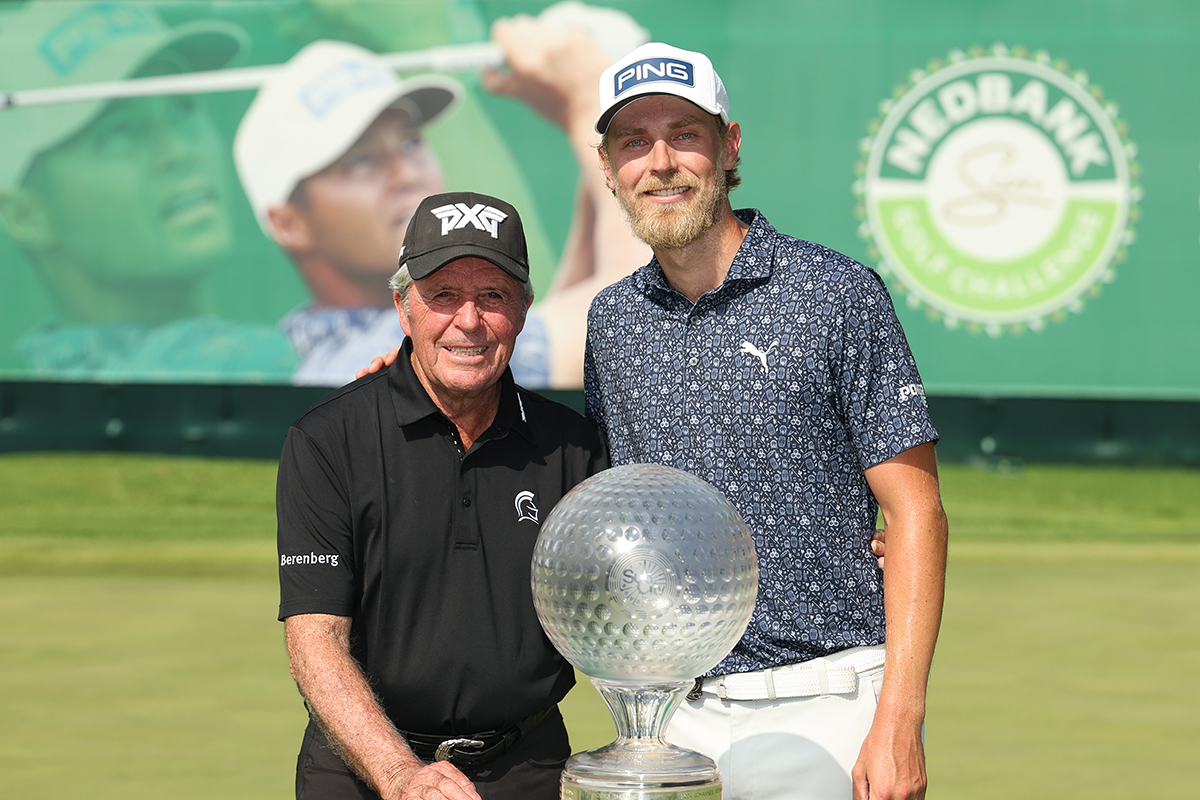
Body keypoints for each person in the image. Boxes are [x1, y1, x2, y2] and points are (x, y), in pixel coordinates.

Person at [583, 43, 949, 800]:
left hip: (828, 698)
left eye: (684, 134)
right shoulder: (613, 321)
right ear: (608, 165)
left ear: (730, 145)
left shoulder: (836, 293)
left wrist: (900, 720)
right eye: (633, 142)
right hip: (671, 717)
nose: (660, 162)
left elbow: (915, 509)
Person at [276, 190, 608, 800]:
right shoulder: (328, 439)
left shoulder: (575, 448)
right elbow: (315, 640)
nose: (470, 321)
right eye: (443, 296)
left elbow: (618, 620)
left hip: (526, 767)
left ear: (524, 311)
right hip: (362, 769)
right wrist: (402, 775)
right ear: (404, 309)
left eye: (493, 296)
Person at [234, 4, 650, 388]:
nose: (405, 173)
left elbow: (570, 313)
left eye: (411, 142)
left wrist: (591, 129)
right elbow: (633, 323)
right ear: (288, 222)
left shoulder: (377, 338)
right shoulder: (370, 361)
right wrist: (593, 107)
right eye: (361, 161)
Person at [0, 0, 296, 381]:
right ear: (26, 215)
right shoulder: (281, 370)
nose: (178, 151)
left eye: (183, 107)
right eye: (118, 133)